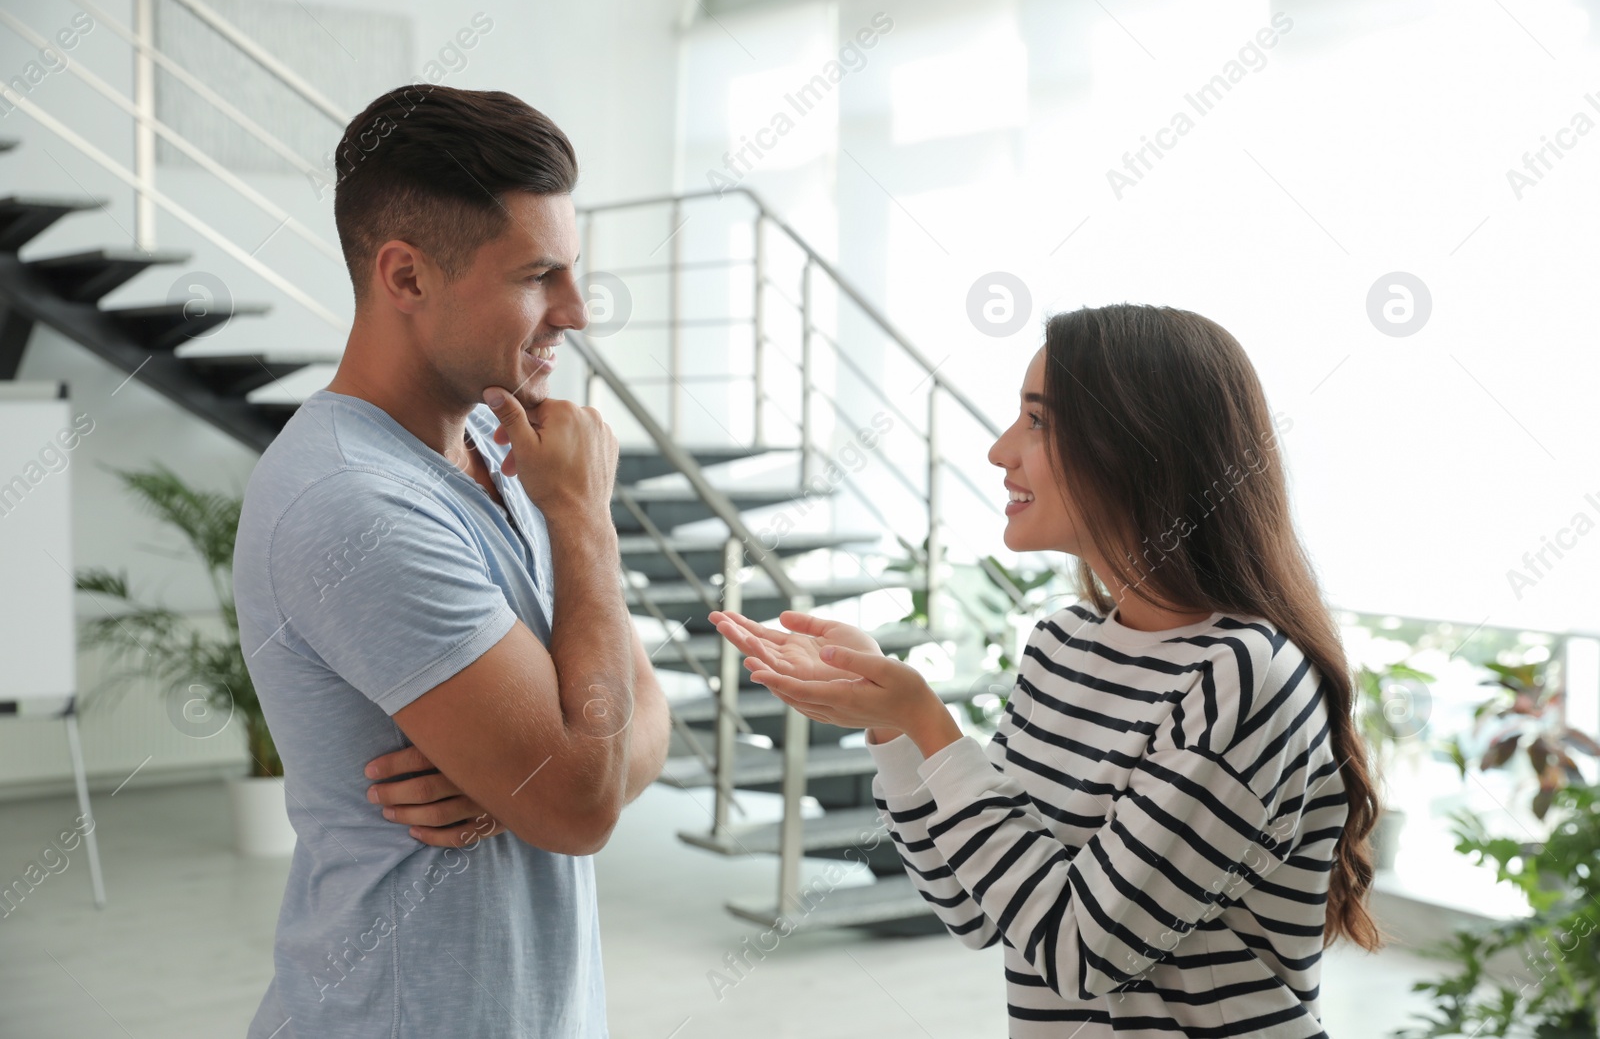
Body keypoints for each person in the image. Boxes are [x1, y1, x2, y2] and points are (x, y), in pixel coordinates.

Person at [712, 303, 1382, 1038]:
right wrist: (890, 725)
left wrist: (930, 725)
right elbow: (972, 906)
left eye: (1039, 421)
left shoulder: (1243, 676)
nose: (1002, 451)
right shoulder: (1061, 646)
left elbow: (1081, 954)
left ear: (1137, 445)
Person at [233, 84, 669, 1038]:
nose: (577, 311)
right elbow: (586, 801)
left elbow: (645, 720)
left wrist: (532, 778)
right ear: (407, 276)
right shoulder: (351, 501)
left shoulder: (504, 442)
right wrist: (586, 527)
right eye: (537, 275)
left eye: (574, 270)